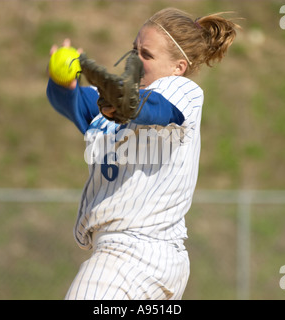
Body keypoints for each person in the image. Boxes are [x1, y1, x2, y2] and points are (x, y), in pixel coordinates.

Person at [46, 7, 239, 300]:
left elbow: (155, 109)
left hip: (134, 253)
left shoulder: (181, 90)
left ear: (179, 66)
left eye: (147, 55)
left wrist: (124, 104)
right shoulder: (110, 103)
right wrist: (63, 84)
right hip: (141, 259)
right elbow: (69, 102)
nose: (136, 60)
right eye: (134, 50)